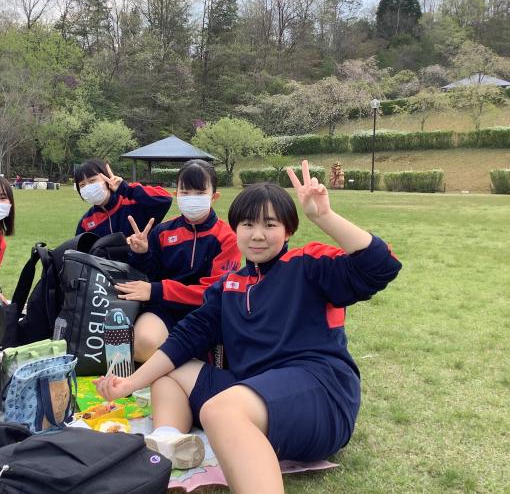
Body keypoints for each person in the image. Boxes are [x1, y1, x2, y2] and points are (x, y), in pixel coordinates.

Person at [95, 161, 402, 493]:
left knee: (221, 411)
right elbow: (184, 339)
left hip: (318, 395)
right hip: (252, 391)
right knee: (168, 370)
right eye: (247, 224)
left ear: (288, 230)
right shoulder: (228, 287)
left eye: (270, 224)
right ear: (236, 229)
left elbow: (381, 266)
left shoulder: (309, 266)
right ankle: (168, 442)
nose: (257, 234)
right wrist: (129, 383)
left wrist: (323, 216)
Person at [115, 159, 241, 362]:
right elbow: (148, 274)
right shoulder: (163, 231)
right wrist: (141, 253)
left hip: (206, 311)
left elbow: (215, 291)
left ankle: (180, 372)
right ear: (176, 195)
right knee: (142, 344)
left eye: (200, 193)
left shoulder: (227, 237)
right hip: (165, 308)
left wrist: (157, 290)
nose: (192, 198)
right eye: (185, 192)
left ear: (214, 196)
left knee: (194, 353)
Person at [74, 159, 172, 237]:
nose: (88, 187)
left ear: (106, 177)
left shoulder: (132, 202)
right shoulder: (86, 222)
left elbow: (165, 199)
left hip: (143, 260)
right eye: (82, 185)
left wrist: (128, 190)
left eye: (92, 181)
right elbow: (79, 252)